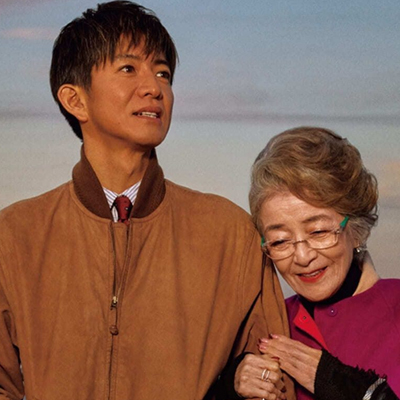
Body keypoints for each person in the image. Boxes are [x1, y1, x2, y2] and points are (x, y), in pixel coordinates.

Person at [0, 2, 294, 399]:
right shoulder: (15, 235)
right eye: (128, 69)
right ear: (75, 100)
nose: (154, 88)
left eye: (163, 73)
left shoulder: (230, 233)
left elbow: (274, 379)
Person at [229, 127, 400, 399]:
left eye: (318, 232)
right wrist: (229, 385)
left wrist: (364, 394)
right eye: (280, 241)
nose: (302, 256)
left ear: (356, 228)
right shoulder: (266, 326)